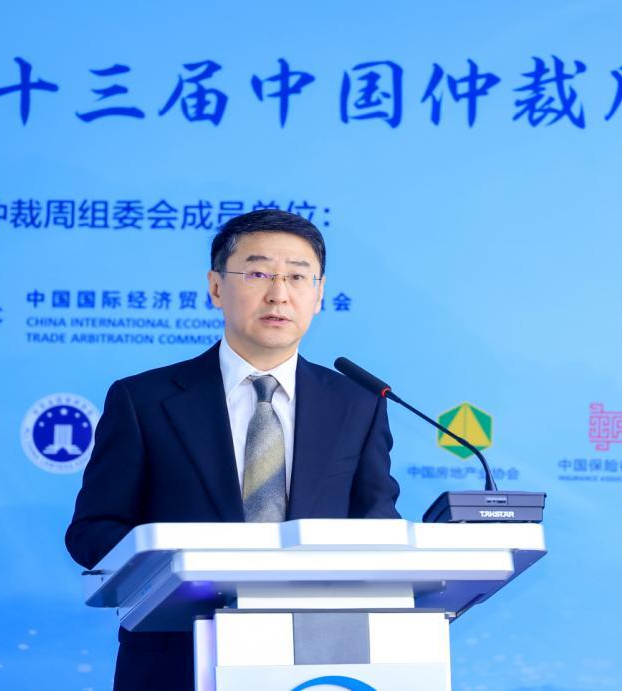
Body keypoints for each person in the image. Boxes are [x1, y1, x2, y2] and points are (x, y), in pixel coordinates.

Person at [65, 209, 400, 690]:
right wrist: (177, 569)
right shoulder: (144, 401)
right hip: (176, 660)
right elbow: (93, 532)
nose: (279, 293)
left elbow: (377, 526)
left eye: (297, 277)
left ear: (319, 294)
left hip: (318, 662)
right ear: (217, 287)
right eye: (258, 273)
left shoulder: (358, 404)